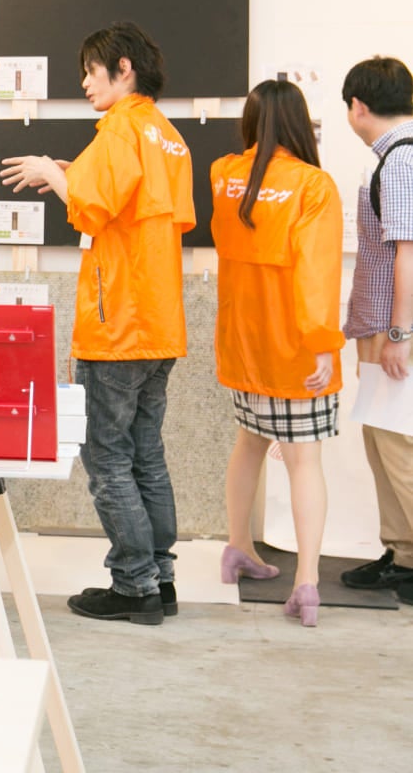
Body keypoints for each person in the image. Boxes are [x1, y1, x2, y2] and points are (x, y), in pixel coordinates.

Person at [0, 21, 193, 625]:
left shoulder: (119, 128)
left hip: (117, 326)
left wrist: (52, 170)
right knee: (146, 456)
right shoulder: (167, 134)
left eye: (90, 70)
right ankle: (160, 580)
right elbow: (138, 206)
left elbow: (89, 208)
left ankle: (134, 586)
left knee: (107, 458)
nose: (84, 82)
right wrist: (68, 170)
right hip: (159, 322)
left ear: (124, 68)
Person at [210, 80, 343, 627]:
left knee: (249, 442)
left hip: (243, 342)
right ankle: (306, 582)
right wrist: (323, 344)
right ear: (299, 123)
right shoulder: (313, 185)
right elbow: (316, 272)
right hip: (293, 347)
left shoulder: (224, 176)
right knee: (304, 460)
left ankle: (237, 545)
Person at [338, 56, 413, 604]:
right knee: (381, 439)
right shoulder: (393, 157)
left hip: (395, 328)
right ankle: (403, 553)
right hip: (384, 325)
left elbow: (410, 251)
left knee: (397, 444)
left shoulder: (402, 160)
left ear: (358, 106)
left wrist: (400, 334)